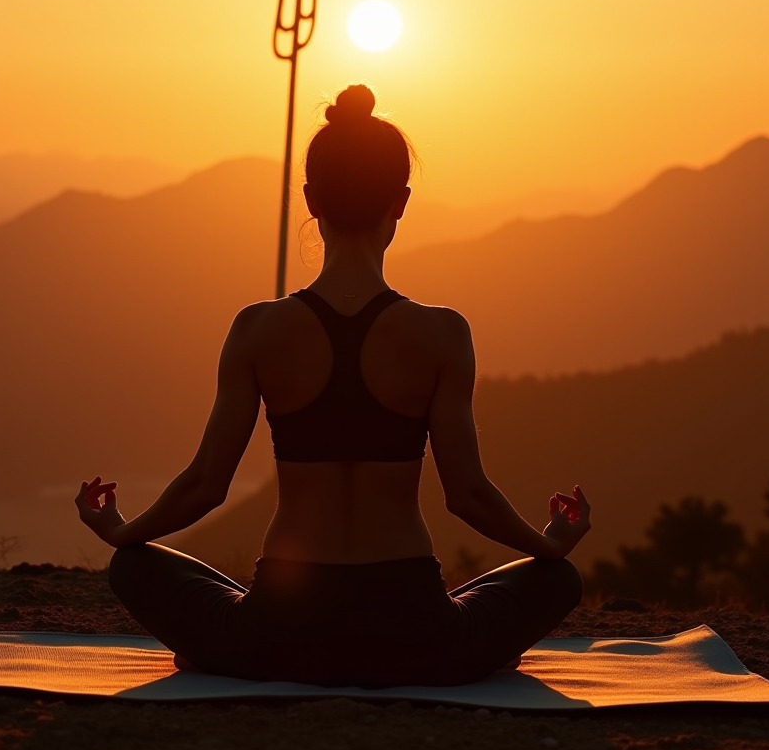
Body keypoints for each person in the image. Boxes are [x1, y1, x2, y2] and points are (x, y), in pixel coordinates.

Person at [76, 84, 589, 688]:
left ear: (310, 199)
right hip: (414, 630)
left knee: (133, 569)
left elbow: (205, 486)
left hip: (279, 629)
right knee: (556, 581)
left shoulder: (258, 328)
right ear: (400, 202)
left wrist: (120, 532)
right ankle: (462, 653)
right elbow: (468, 495)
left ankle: (229, 651)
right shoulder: (443, 334)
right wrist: (549, 545)